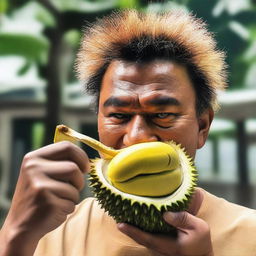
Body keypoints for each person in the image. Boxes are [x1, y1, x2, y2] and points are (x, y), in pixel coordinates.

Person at [1, 9, 256, 256]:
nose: (136, 137)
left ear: (202, 127)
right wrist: (15, 232)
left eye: (162, 115)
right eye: (119, 116)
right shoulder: (51, 232)